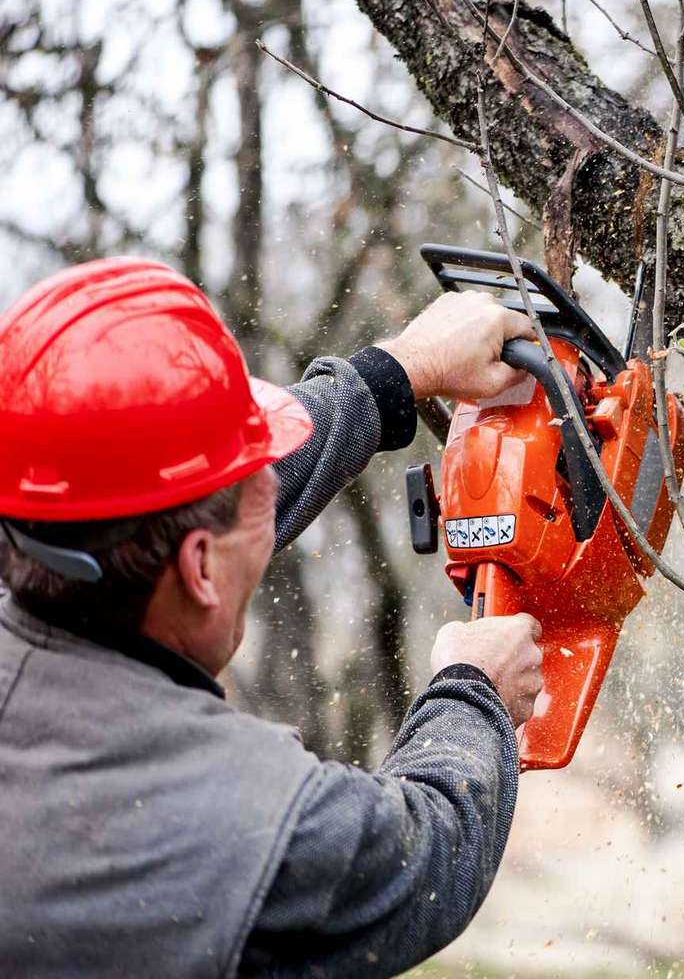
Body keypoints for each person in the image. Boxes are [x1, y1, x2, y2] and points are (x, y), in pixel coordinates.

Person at [0, 257, 544, 977]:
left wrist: (398, 373)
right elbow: (424, 853)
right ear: (197, 568)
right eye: (255, 490)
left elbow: (174, 499)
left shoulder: (45, 536)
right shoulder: (244, 824)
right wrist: (473, 693)